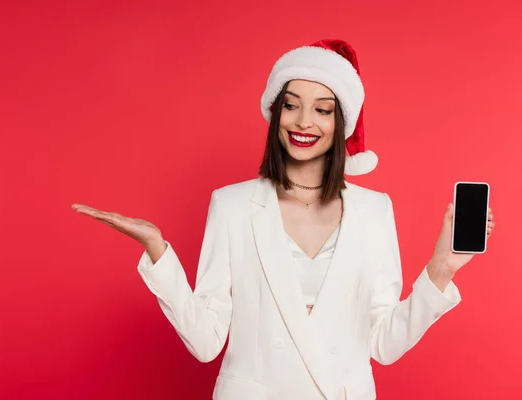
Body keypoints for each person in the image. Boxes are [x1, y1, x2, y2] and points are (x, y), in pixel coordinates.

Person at [72, 39, 496, 400]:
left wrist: (441, 271)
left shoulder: (373, 211)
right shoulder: (232, 205)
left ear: (341, 122)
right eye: (291, 105)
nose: (304, 121)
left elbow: (383, 345)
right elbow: (206, 342)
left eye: (323, 110)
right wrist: (158, 252)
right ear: (276, 114)